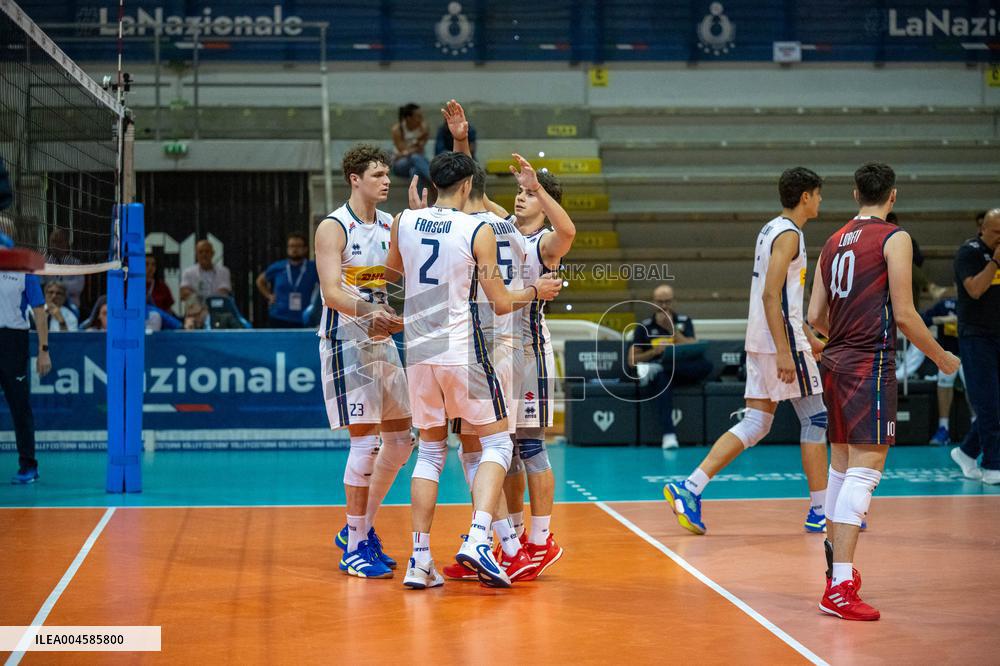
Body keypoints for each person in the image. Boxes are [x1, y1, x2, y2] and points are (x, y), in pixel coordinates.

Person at [385, 151, 562, 589]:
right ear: (467, 186)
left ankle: (419, 559)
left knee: (429, 452)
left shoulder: (404, 220)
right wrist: (535, 289)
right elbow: (501, 301)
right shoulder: (477, 228)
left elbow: (390, 277)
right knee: (499, 444)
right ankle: (482, 536)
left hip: (419, 353)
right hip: (463, 351)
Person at [808, 162, 959, 621]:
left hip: (834, 359)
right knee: (866, 470)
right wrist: (942, 358)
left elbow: (815, 315)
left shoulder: (831, 242)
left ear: (855, 194)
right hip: (868, 364)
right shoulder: (896, 238)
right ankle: (839, 587)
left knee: (840, 468)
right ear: (892, 196)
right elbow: (907, 314)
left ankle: (837, 577)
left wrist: (844, 334)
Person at [665, 167, 830, 535]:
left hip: (763, 337)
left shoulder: (770, 228)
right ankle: (821, 510)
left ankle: (689, 487)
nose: (820, 201)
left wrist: (808, 337)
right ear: (805, 196)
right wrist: (788, 351)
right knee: (816, 419)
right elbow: (773, 295)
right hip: (778, 342)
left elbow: (779, 298)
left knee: (757, 423)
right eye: (818, 194)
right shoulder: (790, 235)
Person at [317, 143, 415, 580]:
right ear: (355, 179)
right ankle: (355, 547)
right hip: (346, 340)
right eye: (377, 174)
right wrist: (371, 313)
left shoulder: (392, 223)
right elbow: (331, 293)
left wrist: (415, 223)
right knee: (365, 443)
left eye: (386, 174)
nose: (385, 181)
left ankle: (359, 527)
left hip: (382, 339)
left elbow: (394, 276)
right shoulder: (333, 227)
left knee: (402, 441)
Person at [949, 208, 1000, 484]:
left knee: (996, 404)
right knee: (988, 403)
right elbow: (975, 289)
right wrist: (994, 262)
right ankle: (993, 466)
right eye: (997, 233)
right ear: (983, 229)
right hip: (976, 337)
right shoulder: (969, 253)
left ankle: (967, 452)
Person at [629, 284, 713, 449]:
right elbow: (631, 360)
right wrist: (653, 352)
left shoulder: (684, 321)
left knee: (706, 364)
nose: (664, 306)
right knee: (662, 379)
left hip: (683, 370)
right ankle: (669, 435)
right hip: (661, 375)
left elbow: (692, 346)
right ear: (653, 302)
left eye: (667, 301)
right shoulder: (644, 326)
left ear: (674, 301)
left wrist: (671, 329)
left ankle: (660, 368)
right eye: (660, 302)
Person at [1, 268, 51, 483]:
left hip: (14, 341)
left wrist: (43, 350)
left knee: (20, 406)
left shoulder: (24, 273)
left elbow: (39, 310)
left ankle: (29, 466)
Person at [256, 232, 320, 328]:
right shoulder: (278, 266)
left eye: (298, 246)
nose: (294, 249)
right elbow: (260, 281)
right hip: (279, 317)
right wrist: (269, 296)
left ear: (305, 249)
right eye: (291, 246)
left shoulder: (313, 267)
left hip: (304, 318)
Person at [391, 103, 431, 193]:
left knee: (415, 172)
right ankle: (435, 181)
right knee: (414, 157)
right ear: (409, 118)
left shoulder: (423, 128)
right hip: (400, 164)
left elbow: (418, 148)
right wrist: (416, 144)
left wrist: (412, 149)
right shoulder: (397, 130)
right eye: (418, 116)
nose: (421, 119)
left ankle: (419, 204)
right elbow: (403, 151)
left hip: (417, 162)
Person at [41, 228, 84, 312]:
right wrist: (66, 287)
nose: (56, 245)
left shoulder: (76, 263)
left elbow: (79, 286)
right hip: (49, 306)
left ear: (67, 244)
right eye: (53, 241)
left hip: (71, 306)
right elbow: (41, 285)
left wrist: (56, 286)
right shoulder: (43, 263)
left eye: (59, 242)